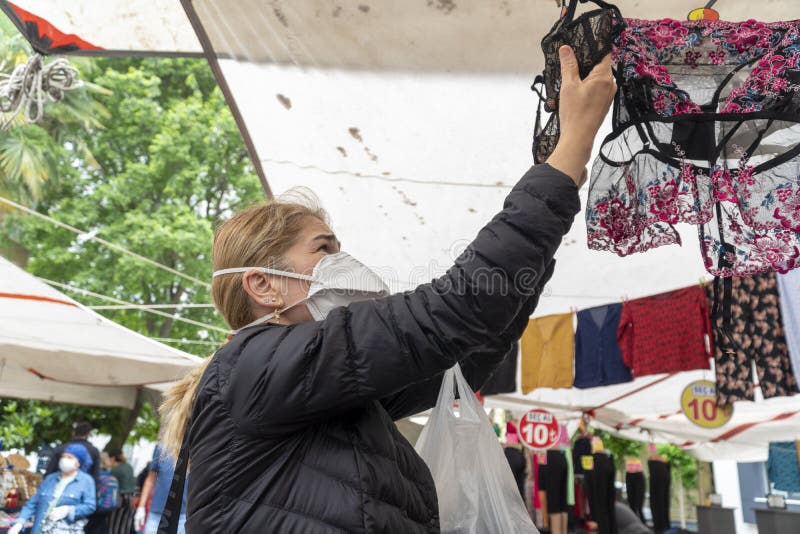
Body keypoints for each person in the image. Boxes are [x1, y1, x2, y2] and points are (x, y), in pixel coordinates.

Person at [158, 45, 616, 532]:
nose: (343, 261)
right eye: (323, 249)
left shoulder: (323, 387)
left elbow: (465, 353)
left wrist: (548, 217)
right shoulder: (254, 367)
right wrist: (569, 155)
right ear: (264, 285)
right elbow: (452, 311)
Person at [9, 444, 97, 534]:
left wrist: (68, 510)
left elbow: (90, 506)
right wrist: (20, 522)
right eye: (63, 456)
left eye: (70, 457)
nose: (64, 460)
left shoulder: (86, 481)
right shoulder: (50, 479)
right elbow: (32, 503)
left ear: (78, 463)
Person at [134, 444, 187, 534]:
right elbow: (150, 479)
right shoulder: (161, 448)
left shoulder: (194, 449)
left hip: (182, 515)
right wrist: (141, 507)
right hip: (157, 513)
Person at [108, 450, 135, 534]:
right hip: (131, 498)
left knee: (114, 524)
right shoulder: (128, 466)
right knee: (125, 524)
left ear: (112, 458)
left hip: (120, 498)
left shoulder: (115, 470)